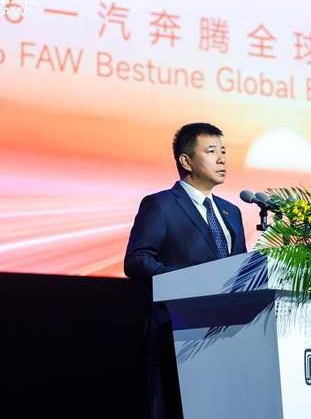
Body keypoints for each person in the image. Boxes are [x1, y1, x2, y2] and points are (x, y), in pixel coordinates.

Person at [124, 122, 247, 419]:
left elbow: (240, 270)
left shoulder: (231, 212)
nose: (222, 159)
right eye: (211, 151)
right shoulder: (161, 205)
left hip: (227, 336)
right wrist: (186, 281)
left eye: (224, 151)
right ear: (186, 160)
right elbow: (137, 260)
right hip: (177, 332)